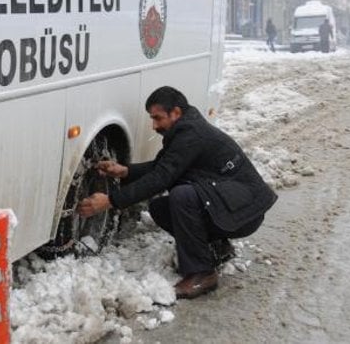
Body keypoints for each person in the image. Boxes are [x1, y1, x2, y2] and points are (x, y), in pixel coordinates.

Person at [77, 86, 277, 299]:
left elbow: (161, 178)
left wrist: (110, 201)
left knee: (183, 196)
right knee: (160, 208)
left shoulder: (191, 134)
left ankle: (202, 273)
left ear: (176, 113)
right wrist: (125, 171)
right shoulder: (185, 129)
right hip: (232, 203)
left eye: (158, 118)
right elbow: (163, 165)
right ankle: (215, 249)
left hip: (245, 211)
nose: (154, 125)